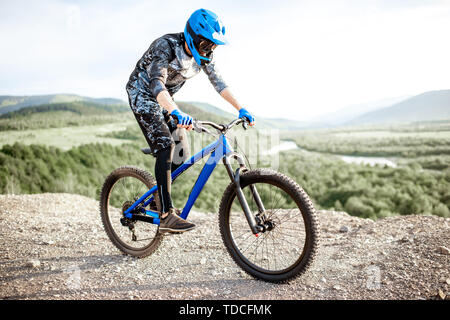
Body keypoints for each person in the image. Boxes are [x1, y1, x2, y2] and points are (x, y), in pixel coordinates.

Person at [126, 8, 255, 233]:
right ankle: (166, 215)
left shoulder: (203, 57)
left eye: (213, 46)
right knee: (166, 146)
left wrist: (241, 108)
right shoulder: (165, 46)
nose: (210, 50)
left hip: (166, 100)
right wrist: (176, 111)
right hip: (144, 96)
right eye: (207, 44)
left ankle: (157, 199)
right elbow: (157, 84)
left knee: (182, 153)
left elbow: (220, 84)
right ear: (193, 36)